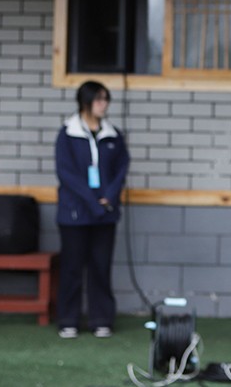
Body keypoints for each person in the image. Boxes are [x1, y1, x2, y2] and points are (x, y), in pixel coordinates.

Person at [54, 80, 130, 339]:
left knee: (101, 266)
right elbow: (66, 173)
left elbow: (121, 168)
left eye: (105, 99)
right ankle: (68, 320)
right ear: (85, 102)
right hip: (74, 214)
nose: (103, 104)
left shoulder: (113, 134)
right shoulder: (68, 133)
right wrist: (91, 201)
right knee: (72, 267)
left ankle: (101, 319)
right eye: (98, 99)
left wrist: (109, 197)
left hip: (105, 214)